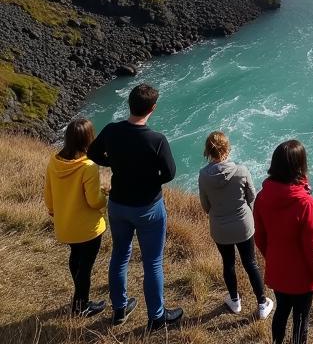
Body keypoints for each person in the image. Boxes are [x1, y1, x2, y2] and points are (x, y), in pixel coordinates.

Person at [88, 83, 184, 331]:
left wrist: (114, 164)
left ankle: (119, 309)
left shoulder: (111, 131)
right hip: (148, 208)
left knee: (120, 255)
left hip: (119, 205)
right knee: (152, 261)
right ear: (153, 108)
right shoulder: (156, 140)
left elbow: (93, 153)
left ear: (129, 104)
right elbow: (170, 173)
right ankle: (157, 317)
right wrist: (149, 179)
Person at [253, 140, 313, 344]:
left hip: (278, 271)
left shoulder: (262, 197)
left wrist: (272, 257)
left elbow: (260, 237)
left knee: (281, 312)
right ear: (300, 166)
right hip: (301, 279)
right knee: (300, 319)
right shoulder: (306, 204)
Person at [197, 131, 273, 319]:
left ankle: (234, 301)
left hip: (220, 228)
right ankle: (262, 304)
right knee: (250, 263)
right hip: (243, 226)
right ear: (227, 149)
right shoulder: (241, 171)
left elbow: (206, 206)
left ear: (208, 151)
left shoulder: (203, 176)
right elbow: (252, 197)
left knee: (228, 263)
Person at [44, 117, 108, 316]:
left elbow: (49, 194)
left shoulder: (54, 162)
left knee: (76, 258)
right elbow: (93, 201)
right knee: (85, 267)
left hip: (66, 225)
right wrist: (104, 195)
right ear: (89, 139)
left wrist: (54, 211)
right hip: (87, 228)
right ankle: (81, 306)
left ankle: (81, 299)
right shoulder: (88, 166)